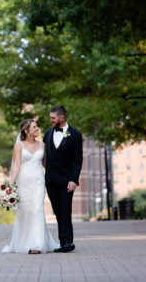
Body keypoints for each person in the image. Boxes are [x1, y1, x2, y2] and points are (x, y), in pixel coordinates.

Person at [2, 119, 59, 254]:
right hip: (23, 183)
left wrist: (58, 175)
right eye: (34, 127)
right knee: (25, 212)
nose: (37, 129)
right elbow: (16, 165)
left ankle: (37, 245)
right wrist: (11, 184)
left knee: (38, 209)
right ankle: (24, 242)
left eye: (37, 126)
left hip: (38, 182)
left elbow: (46, 164)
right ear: (26, 131)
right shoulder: (19, 146)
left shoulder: (42, 145)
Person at [43, 105, 83, 253]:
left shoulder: (75, 135)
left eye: (53, 118)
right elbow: (44, 156)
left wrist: (74, 179)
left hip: (67, 180)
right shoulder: (47, 134)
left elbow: (77, 160)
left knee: (65, 209)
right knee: (58, 211)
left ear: (62, 118)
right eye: (50, 118)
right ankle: (63, 241)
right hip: (51, 181)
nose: (51, 120)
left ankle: (67, 242)